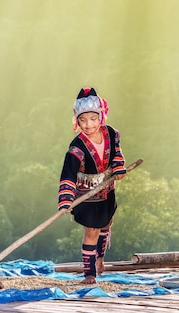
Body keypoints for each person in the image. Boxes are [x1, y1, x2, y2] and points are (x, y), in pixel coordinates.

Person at [57, 87, 126, 284]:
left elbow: (117, 154)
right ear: (76, 121)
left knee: (105, 224)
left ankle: (100, 259)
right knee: (91, 230)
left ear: (101, 116)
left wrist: (118, 168)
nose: (88, 125)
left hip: (107, 189)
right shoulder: (76, 147)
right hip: (86, 193)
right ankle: (89, 273)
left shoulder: (112, 134)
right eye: (83, 120)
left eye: (93, 119)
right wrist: (66, 200)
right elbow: (68, 174)